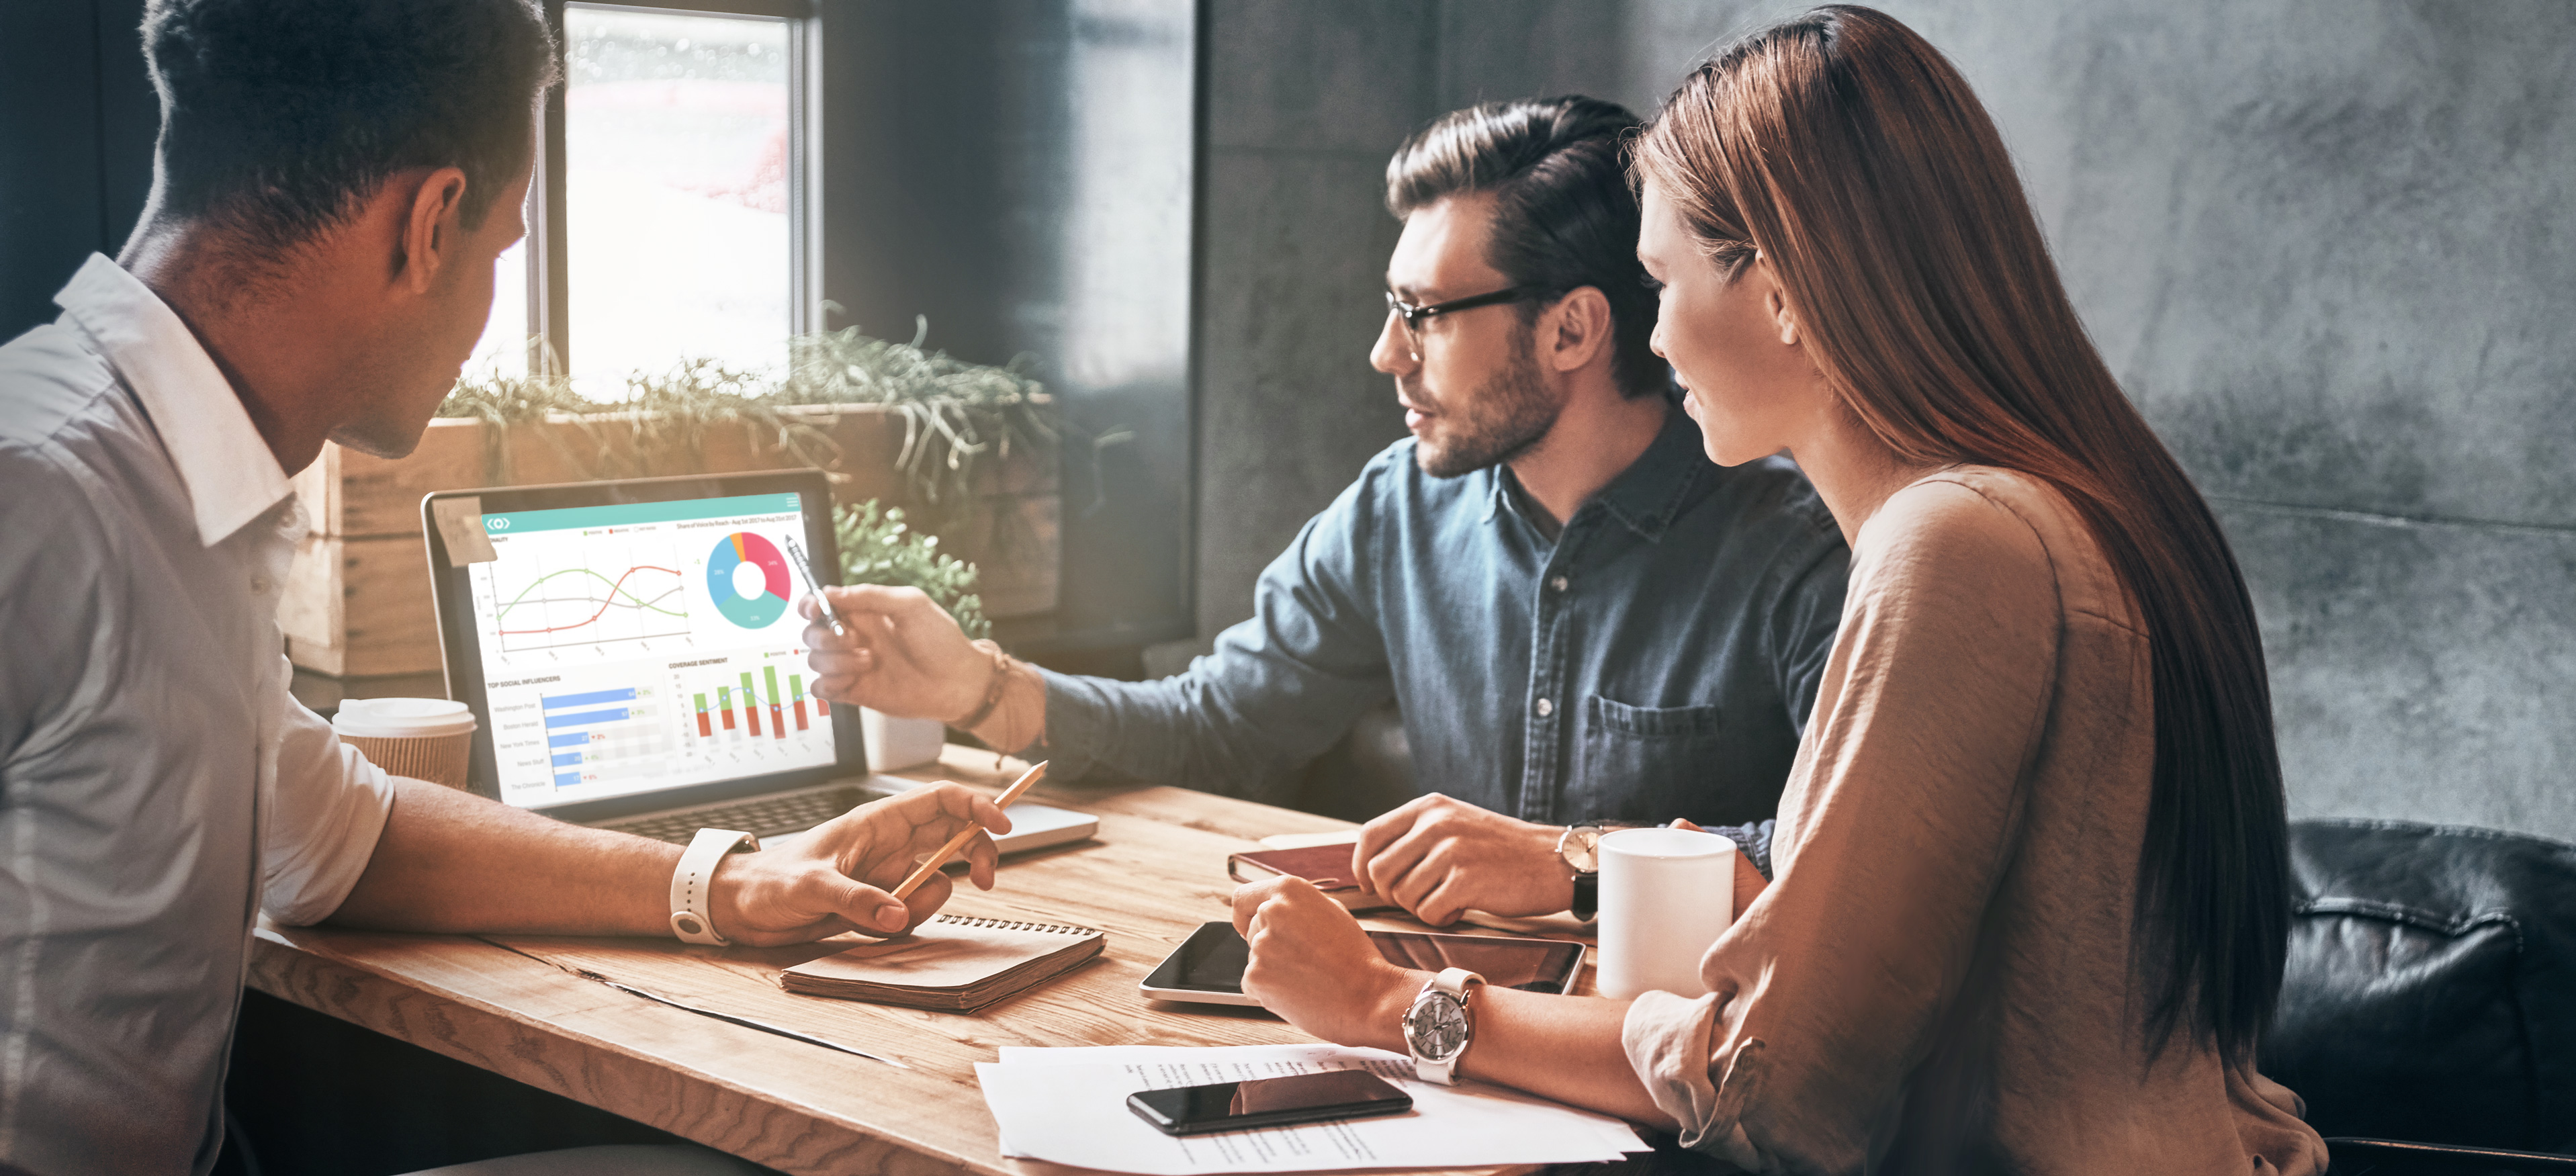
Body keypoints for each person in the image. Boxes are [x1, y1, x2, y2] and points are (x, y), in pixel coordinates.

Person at [1227, 7, 2329, 1174]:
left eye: (1659, 283)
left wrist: (1388, 1004)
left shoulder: (1954, 544)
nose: (1647, 342)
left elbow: (1772, 1090)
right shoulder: (2067, 502)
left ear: (1787, 286)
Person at [0, 3, 1010, 1173]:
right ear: (430, 223)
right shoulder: (40, 495)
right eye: (500, 249)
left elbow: (339, 840)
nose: (489, 311)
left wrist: (738, 883)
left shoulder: (179, 489)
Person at [803, 97, 1849, 926]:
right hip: (1441, 1042)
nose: (1385, 354)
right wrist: (976, 685)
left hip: (1673, 1075)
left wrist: (1572, 858)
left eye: (1423, 317)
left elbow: (1841, 861)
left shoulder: (1801, 553)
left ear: (1572, 331)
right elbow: (1217, 728)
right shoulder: (1399, 508)